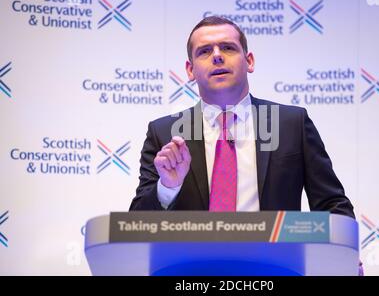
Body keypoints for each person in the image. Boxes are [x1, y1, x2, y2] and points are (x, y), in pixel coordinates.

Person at [129, 16, 355, 218]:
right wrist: (167, 187)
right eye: (205, 51)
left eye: (228, 48)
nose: (217, 56)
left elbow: (331, 204)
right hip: (193, 266)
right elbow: (137, 223)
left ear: (249, 61)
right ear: (190, 70)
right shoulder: (165, 133)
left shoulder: (291, 124)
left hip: (273, 263)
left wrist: (344, 255)